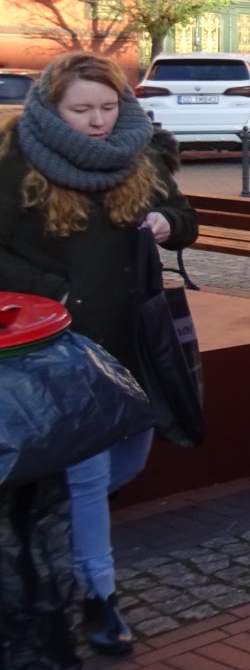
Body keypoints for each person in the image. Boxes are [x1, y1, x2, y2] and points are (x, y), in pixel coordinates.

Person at [0, 51, 199, 657]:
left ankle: (52, 536)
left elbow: (184, 216)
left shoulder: (138, 150)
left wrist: (166, 221)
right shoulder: (16, 157)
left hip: (131, 341)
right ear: (51, 107)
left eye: (108, 107)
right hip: (60, 349)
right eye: (81, 109)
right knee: (87, 477)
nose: (97, 121)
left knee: (127, 460)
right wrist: (54, 292)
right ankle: (99, 595)